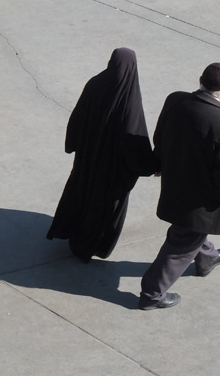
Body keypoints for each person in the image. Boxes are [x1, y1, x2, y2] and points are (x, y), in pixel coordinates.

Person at [138, 62, 220, 310]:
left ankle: (207, 259)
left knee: (192, 231)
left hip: (175, 183)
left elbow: (160, 135)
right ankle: (151, 295)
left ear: (200, 79)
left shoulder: (175, 101)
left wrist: (159, 161)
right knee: (182, 243)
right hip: (201, 199)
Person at [47, 48, 157, 262]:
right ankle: (89, 246)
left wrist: (75, 145)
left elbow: (77, 117)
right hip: (111, 171)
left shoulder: (95, 84)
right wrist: (152, 165)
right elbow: (135, 140)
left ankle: (74, 235)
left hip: (88, 160)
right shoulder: (129, 100)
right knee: (102, 206)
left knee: (82, 194)